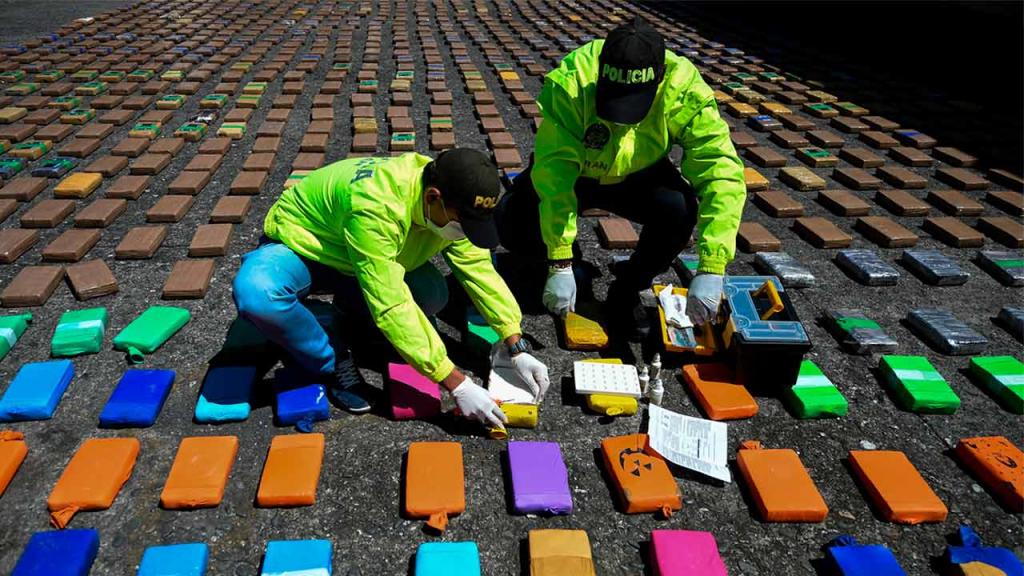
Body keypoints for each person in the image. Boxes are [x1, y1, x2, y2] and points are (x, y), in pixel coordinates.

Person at [232, 149, 550, 431]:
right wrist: (457, 384)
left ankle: (350, 312)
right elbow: (392, 305)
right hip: (305, 247)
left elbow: (480, 272)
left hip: (364, 256)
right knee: (259, 295)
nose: (464, 231)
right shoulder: (377, 205)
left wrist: (515, 341)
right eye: (461, 223)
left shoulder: (456, 198)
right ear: (432, 197)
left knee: (431, 293)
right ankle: (330, 356)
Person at [495, 16, 745, 339]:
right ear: (601, 71)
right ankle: (559, 268)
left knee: (679, 210)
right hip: (578, 171)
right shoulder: (572, 84)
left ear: (660, 79)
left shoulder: (684, 90)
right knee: (510, 217)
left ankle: (628, 287)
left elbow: (721, 173)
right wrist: (560, 261)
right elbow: (554, 179)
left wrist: (712, 266)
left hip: (640, 174)